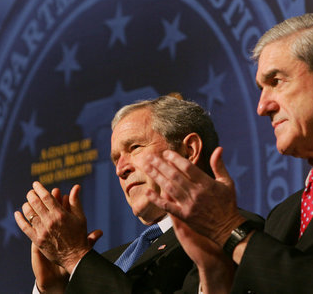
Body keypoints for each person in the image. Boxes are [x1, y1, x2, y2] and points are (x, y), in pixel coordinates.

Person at [143, 13, 313, 293]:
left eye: (276, 81)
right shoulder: (284, 216)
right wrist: (215, 272)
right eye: (262, 89)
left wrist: (229, 230)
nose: (262, 107)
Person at [14, 95, 261, 293]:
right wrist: (55, 290)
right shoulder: (106, 262)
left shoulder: (235, 234)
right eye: (115, 159)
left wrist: (74, 256)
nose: (121, 169)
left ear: (189, 150)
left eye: (134, 148)